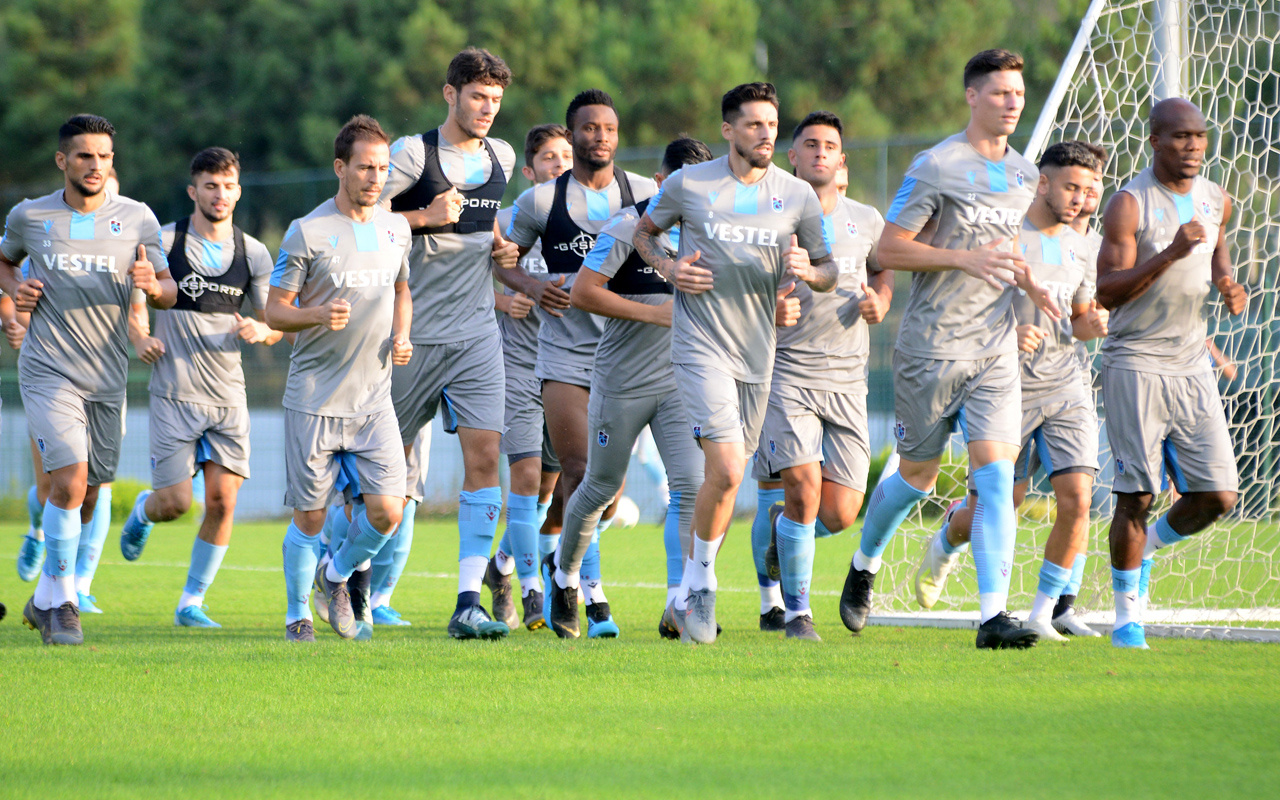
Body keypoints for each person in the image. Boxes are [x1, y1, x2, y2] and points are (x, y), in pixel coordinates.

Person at [839, 50, 1062, 649]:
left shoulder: (1023, 173)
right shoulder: (936, 165)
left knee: (995, 477)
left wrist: (1030, 282)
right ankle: (864, 563)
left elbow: (1009, 248)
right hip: (931, 349)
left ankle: (993, 616)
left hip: (993, 350)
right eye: (999, 93)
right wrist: (963, 258)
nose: (1012, 103)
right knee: (916, 476)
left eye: (1018, 93)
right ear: (971, 97)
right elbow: (887, 250)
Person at [633, 82, 837, 643]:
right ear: (728, 130)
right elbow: (644, 233)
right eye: (753, 124)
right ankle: (700, 588)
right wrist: (671, 269)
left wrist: (808, 270)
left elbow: (828, 270)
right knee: (722, 469)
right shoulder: (689, 183)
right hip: (700, 345)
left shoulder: (796, 195)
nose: (765, 133)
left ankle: (681, 597)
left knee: (731, 480)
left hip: (758, 354)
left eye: (771, 124)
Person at [912, 141, 1109, 643]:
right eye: (1071, 187)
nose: (1080, 199)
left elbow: (1079, 316)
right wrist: (1008, 334)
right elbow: (972, 297)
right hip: (1006, 381)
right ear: (1043, 183)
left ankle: (1043, 614)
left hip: (1066, 381)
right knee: (1000, 504)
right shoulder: (1004, 231)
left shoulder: (1084, 244)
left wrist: (1094, 323)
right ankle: (945, 544)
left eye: (1088, 190)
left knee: (1078, 498)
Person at [2, 114, 176, 645]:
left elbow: (168, 287)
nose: (95, 165)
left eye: (103, 156)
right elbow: (4, 263)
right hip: (48, 367)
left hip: (107, 376)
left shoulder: (138, 218)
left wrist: (154, 284)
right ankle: (65, 605)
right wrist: (16, 294)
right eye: (84, 156)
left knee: (92, 495)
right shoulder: (30, 216)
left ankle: (42, 601)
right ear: (63, 161)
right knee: (70, 482)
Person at [544, 135, 714, 640]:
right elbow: (582, 292)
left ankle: (678, 602)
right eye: (684, 187)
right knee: (599, 486)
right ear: (662, 183)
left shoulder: (712, 234)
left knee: (691, 486)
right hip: (620, 380)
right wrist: (657, 314)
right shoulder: (626, 227)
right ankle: (566, 577)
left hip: (681, 381)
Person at [501, 89, 659, 630]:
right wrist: (531, 283)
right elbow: (504, 260)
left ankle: (525, 556)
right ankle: (585, 595)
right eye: (589, 128)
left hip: (626, 357)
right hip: (564, 352)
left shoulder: (643, 192)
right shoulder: (542, 202)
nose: (600, 137)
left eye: (609, 129)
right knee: (579, 472)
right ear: (573, 136)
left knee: (606, 495)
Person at [1095, 98, 1246, 649]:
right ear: (1155, 141)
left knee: (1219, 495)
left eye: (1200, 137)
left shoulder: (1215, 199)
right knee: (1136, 495)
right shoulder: (1129, 205)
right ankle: (1126, 618)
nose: (1193, 146)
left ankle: (1149, 549)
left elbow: (1217, 246)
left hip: (1190, 361)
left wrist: (1228, 282)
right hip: (1134, 360)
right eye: (1180, 137)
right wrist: (1167, 255)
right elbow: (1105, 292)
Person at [381, 48, 520, 639]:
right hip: (408, 337)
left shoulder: (502, 157)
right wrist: (423, 217)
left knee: (485, 459)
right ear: (450, 94)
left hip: (475, 336)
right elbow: (362, 218)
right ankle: (346, 573)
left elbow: (482, 222)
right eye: (476, 97)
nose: (487, 109)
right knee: (381, 475)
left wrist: (499, 246)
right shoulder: (413, 154)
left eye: (495, 100)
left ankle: (468, 601)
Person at [117, 147, 281, 628]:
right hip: (174, 391)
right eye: (211, 185)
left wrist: (262, 330)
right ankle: (144, 515)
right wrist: (140, 337)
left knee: (222, 501)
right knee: (176, 504)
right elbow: (138, 299)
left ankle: (191, 602)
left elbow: (277, 318)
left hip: (228, 395)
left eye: (229, 186)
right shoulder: (165, 241)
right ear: (194, 191)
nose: (220, 194)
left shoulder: (252, 252)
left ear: (238, 191)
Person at [266, 115, 412, 642]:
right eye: (365, 168)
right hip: (314, 398)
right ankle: (295, 616)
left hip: (374, 399)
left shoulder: (396, 226)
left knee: (388, 512)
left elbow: (401, 289)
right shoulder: (308, 231)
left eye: (383, 168)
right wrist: (316, 315)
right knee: (310, 519)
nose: (376, 178)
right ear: (340, 168)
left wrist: (402, 334)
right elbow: (274, 312)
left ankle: (336, 577)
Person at [748, 111, 892, 641]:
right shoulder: (766, 215)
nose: (819, 153)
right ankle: (797, 614)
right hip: (785, 372)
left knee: (838, 513)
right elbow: (736, 287)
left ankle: (783, 538)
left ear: (842, 160)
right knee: (803, 490)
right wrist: (770, 310)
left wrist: (883, 299)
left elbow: (883, 266)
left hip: (849, 379)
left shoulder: (866, 218)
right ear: (792, 156)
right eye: (809, 144)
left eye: (829, 146)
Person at [485, 123, 573, 631]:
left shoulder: (587, 220)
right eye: (547, 157)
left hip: (567, 369)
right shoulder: (506, 221)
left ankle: (500, 569)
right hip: (515, 367)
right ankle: (533, 591)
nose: (559, 163)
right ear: (528, 169)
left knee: (546, 489)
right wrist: (505, 298)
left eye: (565, 155)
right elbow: (469, 285)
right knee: (521, 480)